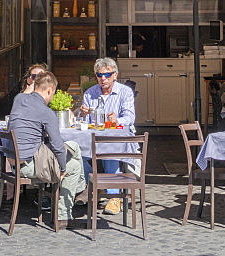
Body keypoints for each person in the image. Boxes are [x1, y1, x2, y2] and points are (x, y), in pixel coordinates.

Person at [7, 70, 86, 229]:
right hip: (29, 165)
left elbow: (29, 91)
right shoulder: (46, 112)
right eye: (53, 93)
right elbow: (57, 145)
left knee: (75, 147)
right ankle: (63, 215)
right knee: (74, 167)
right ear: (50, 90)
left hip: (15, 162)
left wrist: (36, 81)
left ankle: (79, 188)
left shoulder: (19, 99)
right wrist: (63, 168)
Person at [80, 57, 136, 216]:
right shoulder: (90, 94)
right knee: (75, 154)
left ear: (115, 75)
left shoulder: (125, 92)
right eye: (99, 75)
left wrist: (116, 120)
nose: (103, 79)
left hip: (116, 138)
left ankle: (113, 197)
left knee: (109, 153)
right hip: (93, 138)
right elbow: (84, 122)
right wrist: (82, 114)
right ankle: (97, 184)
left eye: (107, 75)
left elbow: (130, 118)